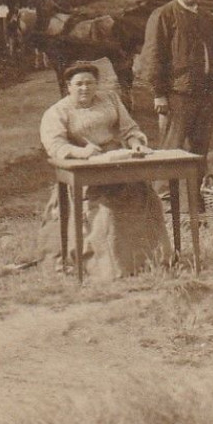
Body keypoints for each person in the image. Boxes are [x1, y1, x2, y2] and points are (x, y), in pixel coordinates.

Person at [38, 62, 171, 280]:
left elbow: (129, 129)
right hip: (84, 174)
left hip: (117, 167)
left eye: (89, 83)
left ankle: (152, 260)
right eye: (79, 84)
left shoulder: (110, 100)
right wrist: (83, 152)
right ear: (68, 86)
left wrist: (136, 142)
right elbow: (56, 147)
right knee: (107, 213)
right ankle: (110, 267)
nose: (84, 89)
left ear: (97, 84)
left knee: (148, 200)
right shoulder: (58, 112)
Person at [142, 0, 213, 156]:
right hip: (177, 94)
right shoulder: (164, 14)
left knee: (200, 152)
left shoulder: (206, 17)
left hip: (206, 94)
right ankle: (164, 187)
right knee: (171, 150)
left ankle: (198, 186)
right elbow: (154, 55)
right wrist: (159, 94)